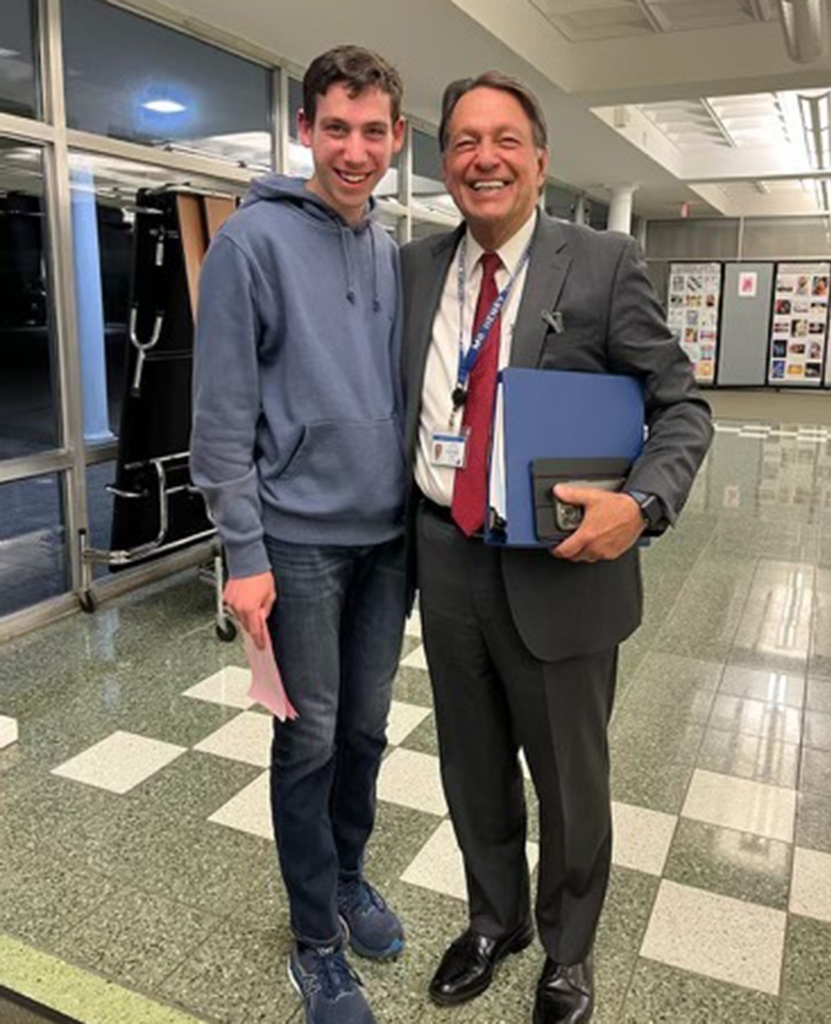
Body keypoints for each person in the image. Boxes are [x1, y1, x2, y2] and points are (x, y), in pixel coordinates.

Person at [400, 72, 713, 1024]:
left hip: (562, 569)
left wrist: (642, 506)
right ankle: (494, 920)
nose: (481, 158)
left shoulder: (604, 263)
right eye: (460, 141)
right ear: (442, 160)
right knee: (469, 763)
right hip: (447, 558)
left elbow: (682, 408)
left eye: (503, 140)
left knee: (570, 781)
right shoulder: (415, 269)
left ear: (540, 160)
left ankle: (568, 952)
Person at [191, 45, 407, 1024]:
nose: (354, 150)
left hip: (387, 539)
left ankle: (349, 878)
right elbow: (221, 416)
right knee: (308, 739)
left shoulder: (389, 251)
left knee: (366, 727)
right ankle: (315, 941)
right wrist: (242, 552)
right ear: (305, 131)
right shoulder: (250, 245)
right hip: (299, 543)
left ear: (397, 138)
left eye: (373, 131)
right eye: (337, 128)